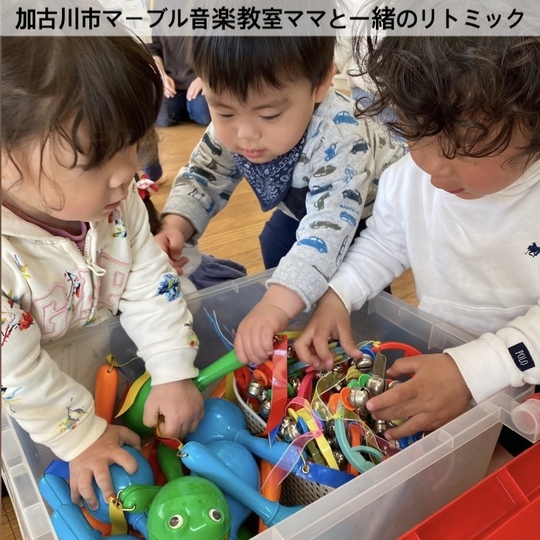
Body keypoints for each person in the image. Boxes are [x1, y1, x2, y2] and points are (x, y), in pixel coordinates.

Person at [294, 34, 540, 449]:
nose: (432, 168)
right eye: (414, 132)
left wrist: (472, 370)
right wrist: (339, 294)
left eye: (463, 147)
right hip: (440, 359)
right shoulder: (409, 177)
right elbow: (385, 243)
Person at [1, 35, 204, 511]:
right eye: (97, 159)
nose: (127, 173)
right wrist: (82, 439)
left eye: (134, 144)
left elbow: (150, 283)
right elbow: (15, 369)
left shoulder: (117, 202)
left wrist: (172, 370)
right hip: (22, 402)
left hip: (91, 367)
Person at [156, 35, 405, 365]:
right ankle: (297, 326)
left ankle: (365, 348)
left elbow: (327, 231)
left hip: (364, 216)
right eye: (224, 112)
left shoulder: (341, 135)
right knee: (276, 245)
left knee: (352, 288)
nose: (245, 133)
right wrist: (175, 226)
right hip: (306, 204)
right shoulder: (239, 123)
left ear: (321, 83)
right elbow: (204, 175)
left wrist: (275, 305)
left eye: (270, 114)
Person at [142, 27, 212, 183]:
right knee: (163, 118)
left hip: (201, 79)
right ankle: (186, 107)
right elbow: (154, 48)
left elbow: (217, 46)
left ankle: (190, 107)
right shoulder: (160, 15)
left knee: (203, 113)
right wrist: (161, 76)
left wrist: (205, 76)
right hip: (173, 83)